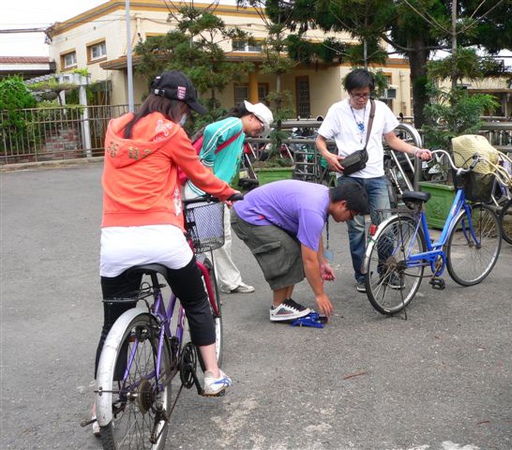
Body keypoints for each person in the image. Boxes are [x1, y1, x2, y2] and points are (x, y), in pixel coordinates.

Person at [97, 70, 236, 398]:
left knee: (111, 324)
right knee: (197, 301)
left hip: (115, 242)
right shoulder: (172, 133)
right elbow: (200, 175)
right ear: (178, 105)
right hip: (162, 238)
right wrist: (230, 193)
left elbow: (141, 167)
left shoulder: (115, 128)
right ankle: (212, 375)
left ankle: (102, 401)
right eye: (186, 110)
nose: (186, 116)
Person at [315, 68, 432, 293]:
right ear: (348, 92)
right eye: (357, 94)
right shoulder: (337, 110)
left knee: (385, 226)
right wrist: (328, 156)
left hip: (376, 176)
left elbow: (392, 139)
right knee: (356, 229)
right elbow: (320, 140)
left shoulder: (380, 109)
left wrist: (416, 151)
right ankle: (362, 275)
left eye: (365, 94)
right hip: (348, 178)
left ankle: (387, 271)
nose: (361, 99)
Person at [230, 179, 369, 321]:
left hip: (259, 212)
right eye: (351, 215)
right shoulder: (313, 208)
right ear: (343, 204)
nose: (349, 220)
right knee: (286, 250)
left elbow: (313, 235)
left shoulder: (324, 197)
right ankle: (278, 307)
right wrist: (320, 295)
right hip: (247, 215)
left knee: (297, 249)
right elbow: (309, 260)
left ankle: (286, 301)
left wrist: (322, 263)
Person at [184, 101, 274, 294]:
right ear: (251, 116)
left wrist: (222, 189)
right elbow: (212, 132)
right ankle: (204, 289)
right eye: (261, 125)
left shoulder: (239, 133)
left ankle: (228, 281)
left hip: (214, 191)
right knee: (207, 242)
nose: (261, 130)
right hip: (202, 191)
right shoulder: (234, 124)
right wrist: (207, 167)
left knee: (221, 239)